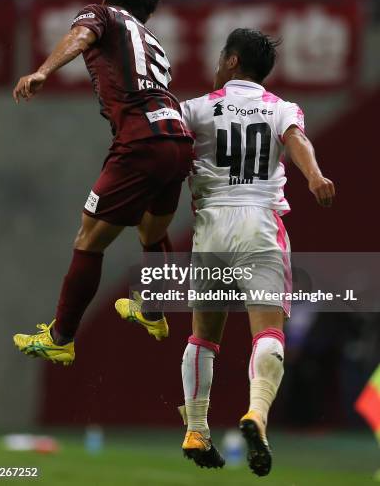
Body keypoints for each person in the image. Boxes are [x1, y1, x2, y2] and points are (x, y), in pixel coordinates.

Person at [117, 28, 335, 474]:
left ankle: (197, 428)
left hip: (211, 227)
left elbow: (161, 145)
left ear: (232, 61)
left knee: (203, 337)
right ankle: (257, 413)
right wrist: (314, 176)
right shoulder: (280, 108)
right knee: (267, 333)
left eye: (221, 56)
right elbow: (297, 141)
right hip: (259, 225)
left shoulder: (196, 108)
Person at [12, 0, 193, 365]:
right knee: (152, 231)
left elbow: (80, 36)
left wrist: (43, 70)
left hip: (140, 139)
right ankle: (155, 310)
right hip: (178, 139)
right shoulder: (153, 40)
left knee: (89, 238)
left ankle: (61, 336)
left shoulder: (103, 15)